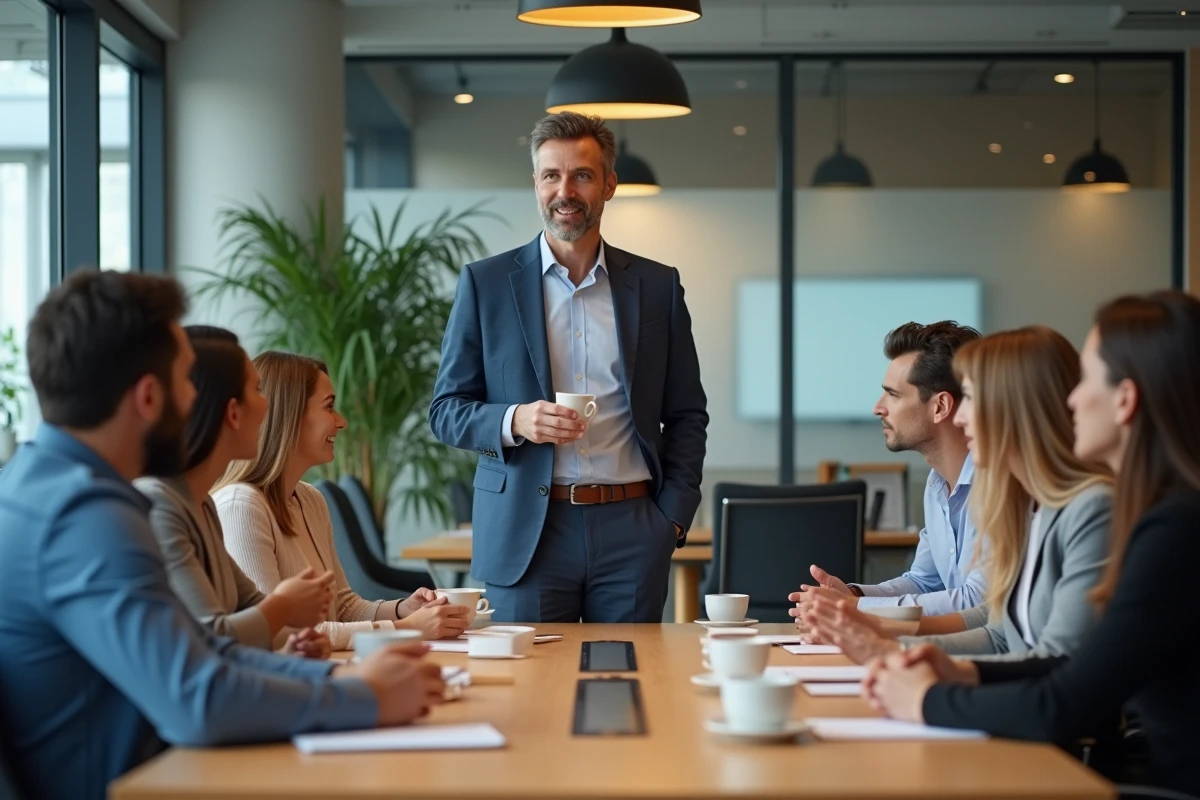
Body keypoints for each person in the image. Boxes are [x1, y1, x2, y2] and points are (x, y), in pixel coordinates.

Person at [0, 271, 444, 800]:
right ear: (149, 398)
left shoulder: (37, 487)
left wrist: (342, 681)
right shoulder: (85, 517)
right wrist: (364, 699)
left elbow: (203, 649)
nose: (199, 400)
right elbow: (197, 699)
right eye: (186, 382)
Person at [863, 292, 1200, 796]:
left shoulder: (1171, 528)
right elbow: (1050, 660)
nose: (1072, 400)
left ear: (1125, 399)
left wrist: (926, 699)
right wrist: (953, 669)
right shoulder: (1151, 514)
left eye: (1087, 380)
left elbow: (1066, 697)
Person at [429, 111, 708, 623]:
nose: (566, 191)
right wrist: (515, 420)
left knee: (625, 670)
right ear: (536, 184)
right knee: (530, 674)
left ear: (609, 185)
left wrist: (671, 518)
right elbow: (446, 410)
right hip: (526, 531)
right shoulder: (486, 285)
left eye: (582, 175)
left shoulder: (657, 287)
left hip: (632, 529)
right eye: (551, 175)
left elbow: (687, 414)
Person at [803, 326, 1112, 664]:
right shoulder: (945, 486)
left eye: (972, 398)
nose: (961, 417)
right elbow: (993, 625)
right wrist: (866, 615)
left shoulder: (1069, 505)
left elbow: (990, 611)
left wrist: (868, 618)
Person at [215, 351, 468, 649]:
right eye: (329, 407)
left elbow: (342, 606)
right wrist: (404, 629)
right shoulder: (241, 507)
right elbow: (275, 632)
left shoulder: (310, 499)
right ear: (290, 415)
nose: (342, 422)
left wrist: (403, 609)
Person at [135, 326, 335, 656]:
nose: (269, 407)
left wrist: (291, 648)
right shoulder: (162, 505)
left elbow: (252, 610)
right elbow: (211, 637)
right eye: (257, 390)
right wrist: (285, 606)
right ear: (232, 412)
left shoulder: (202, 504)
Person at [792, 321, 983, 617]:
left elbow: (979, 602)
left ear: (940, 407)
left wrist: (858, 608)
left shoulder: (999, 483)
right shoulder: (936, 484)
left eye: (893, 395)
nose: (878, 408)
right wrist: (853, 595)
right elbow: (923, 582)